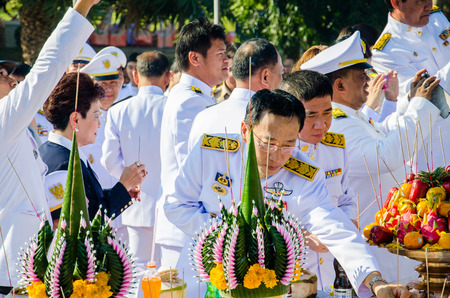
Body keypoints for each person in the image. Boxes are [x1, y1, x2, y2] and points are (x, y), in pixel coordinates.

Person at [164, 89, 411, 298]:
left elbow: (336, 229)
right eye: (267, 143)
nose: (277, 155)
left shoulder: (305, 174)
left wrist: (376, 280)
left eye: (288, 145)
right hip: (209, 273)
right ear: (244, 130)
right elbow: (176, 204)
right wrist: (231, 241)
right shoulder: (212, 152)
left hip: (271, 286)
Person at [301, 30, 441, 283]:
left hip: (382, 245)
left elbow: (386, 132)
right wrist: (421, 106)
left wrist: (410, 101)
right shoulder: (337, 123)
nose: (368, 80)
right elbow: (384, 156)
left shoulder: (350, 117)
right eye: (361, 76)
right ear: (339, 85)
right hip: (372, 251)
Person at [0, 0, 97, 293]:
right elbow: (45, 71)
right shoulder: (3, 120)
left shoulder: (12, 128)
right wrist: (80, 9)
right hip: (12, 276)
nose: (13, 82)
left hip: (23, 269)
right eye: (3, 76)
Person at [156, 17, 229, 271]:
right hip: (189, 228)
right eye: (220, 53)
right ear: (195, 58)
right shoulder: (191, 101)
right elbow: (195, 168)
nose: (226, 60)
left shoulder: (195, 96)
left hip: (190, 227)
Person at [281, 70, 357, 291]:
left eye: (328, 113)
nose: (321, 124)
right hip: (289, 275)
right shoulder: (276, 155)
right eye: (311, 115)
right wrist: (302, 237)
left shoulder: (336, 147)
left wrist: (347, 221)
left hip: (328, 274)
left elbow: (345, 199)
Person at [102, 51, 169, 298]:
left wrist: (132, 179)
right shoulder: (174, 107)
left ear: (135, 75)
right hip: (170, 204)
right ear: (168, 76)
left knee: (138, 271)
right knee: (168, 273)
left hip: (135, 202)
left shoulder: (119, 110)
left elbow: (109, 160)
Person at [40, 72, 146, 222]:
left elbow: (89, 203)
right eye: (96, 115)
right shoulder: (65, 163)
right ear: (75, 119)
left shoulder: (56, 151)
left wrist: (123, 190)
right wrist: (124, 184)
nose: (99, 124)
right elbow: (85, 224)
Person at [372, 0, 450, 171]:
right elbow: (431, 98)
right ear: (396, 3)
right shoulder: (386, 52)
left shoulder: (437, 18)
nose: (428, 6)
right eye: (419, 2)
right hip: (436, 153)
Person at [188, 38, 283, 151]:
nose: (282, 80)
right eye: (280, 73)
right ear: (265, 76)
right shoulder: (270, 123)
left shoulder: (202, 118)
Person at [80, 53, 122, 189]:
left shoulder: (124, 116)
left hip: (124, 198)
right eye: (102, 84)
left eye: (113, 83)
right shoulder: (81, 119)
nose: (109, 90)